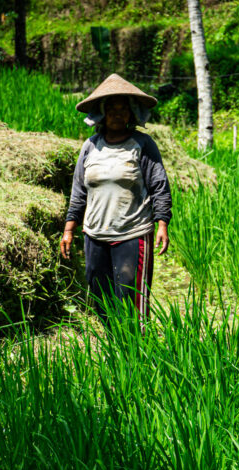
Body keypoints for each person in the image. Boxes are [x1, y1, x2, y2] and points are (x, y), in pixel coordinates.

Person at [59, 74, 172, 324]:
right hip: (95, 235)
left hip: (132, 234)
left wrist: (162, 222)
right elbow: (79, 190)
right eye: (112, 109)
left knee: (131, 300)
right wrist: (69, 229)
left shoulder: (142, 144)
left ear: (132, 114)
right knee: (101, 299)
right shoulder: (90, 146)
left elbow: (159, 185)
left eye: (124, 109)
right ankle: (115, 351)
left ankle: (137, 354)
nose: (118, 114)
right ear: (102, 113)